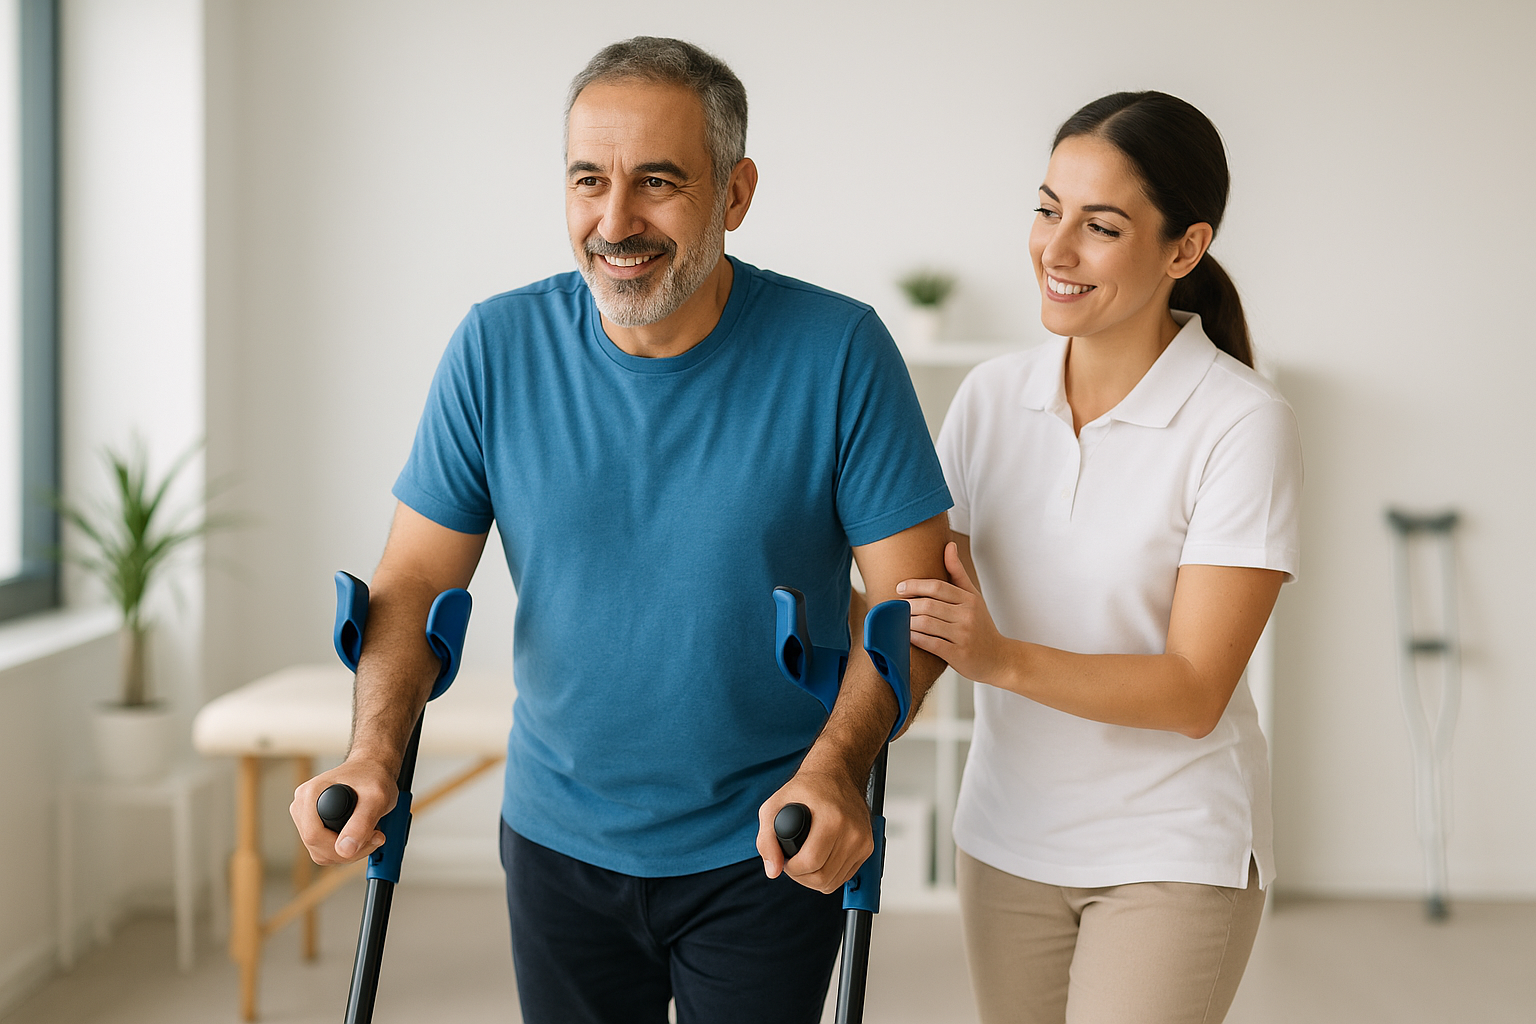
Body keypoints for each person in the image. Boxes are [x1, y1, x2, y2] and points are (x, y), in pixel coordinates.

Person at [288, 36, 951, 1024]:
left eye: (658, 183)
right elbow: (414, 578)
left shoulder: (839, 352)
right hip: (558, 843)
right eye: (587, 179)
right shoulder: (496, 347)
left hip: (769, 840)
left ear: (735, 193)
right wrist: (372, 752)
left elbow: (914, 607)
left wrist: (836, 766)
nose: (614, 220)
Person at [892, 92, 1303, 1024]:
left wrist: (996, 659)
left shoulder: (1243, 423)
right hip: (1006, 839)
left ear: (1184, 250)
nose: (1056, 249)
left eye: (1101, 225)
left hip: (1171, 850)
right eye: (1047, 210)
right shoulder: (990, 399)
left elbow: (1196, 689)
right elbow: (917, 599)